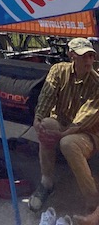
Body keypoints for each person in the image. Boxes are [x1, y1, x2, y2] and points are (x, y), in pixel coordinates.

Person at [28, 37, 99, 214]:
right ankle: (47, 183)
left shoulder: (97, 82)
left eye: (91, 56)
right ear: (71, 56)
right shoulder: (58, 71)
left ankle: (92, 201)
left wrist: (63, 134)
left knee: (68, 143)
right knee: (46, 124)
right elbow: (46, 97)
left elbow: (86, 117)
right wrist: (37, 121)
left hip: (88, 132)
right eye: (84, 56)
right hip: (62, 123)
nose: (89, 61)